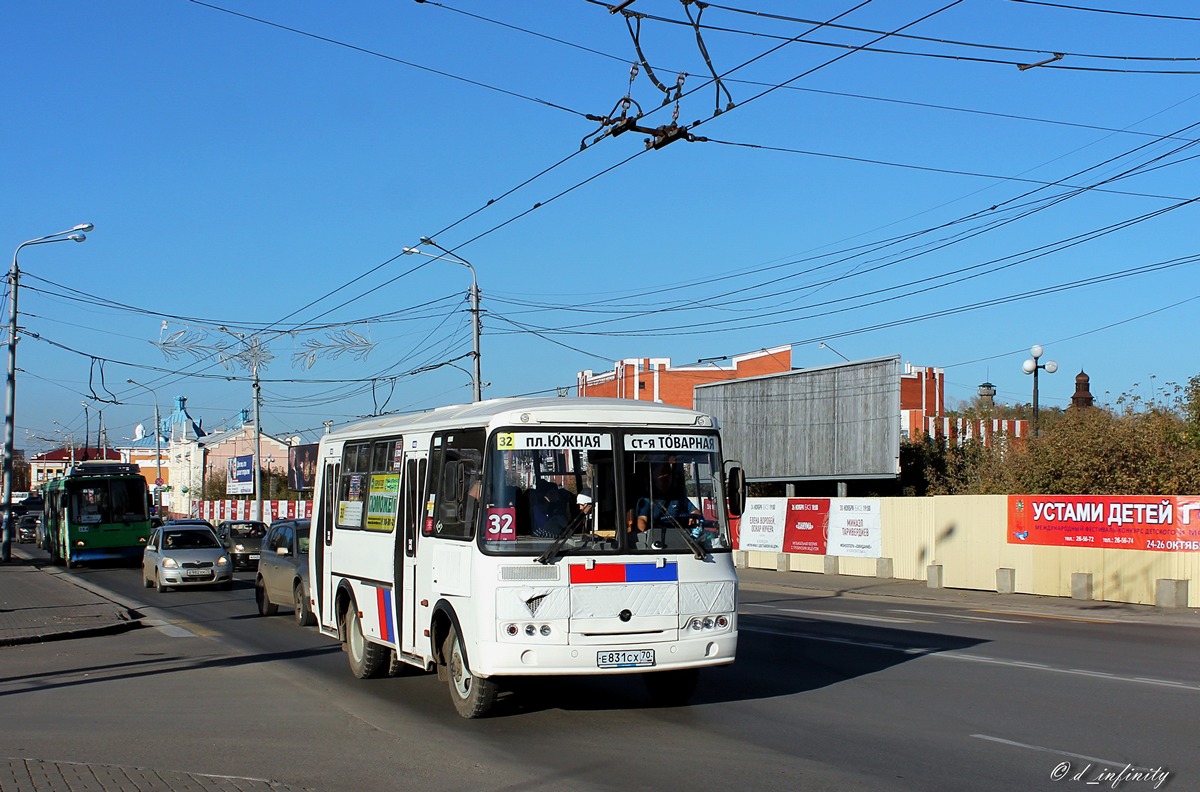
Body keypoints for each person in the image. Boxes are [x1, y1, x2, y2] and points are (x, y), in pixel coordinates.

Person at [635, 458, 702, 549]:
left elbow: (695, 512)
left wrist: (694, 515)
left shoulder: (679, 498)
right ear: (654, 479)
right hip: (656, 542)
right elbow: (642, 519)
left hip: (682, 541)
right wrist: (644, 533)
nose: (665, 480)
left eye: (667, 477)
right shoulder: (647, 500)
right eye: (662, 478)